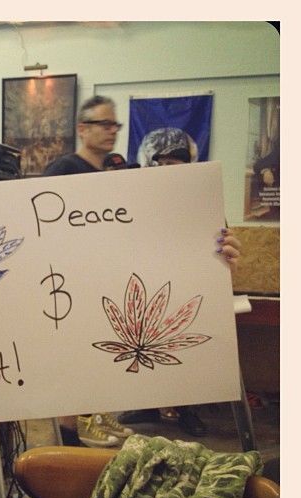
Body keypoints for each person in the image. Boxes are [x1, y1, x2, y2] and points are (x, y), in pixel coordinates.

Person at [43, 95, 241, 446]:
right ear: (82, 128)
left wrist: (215, 257)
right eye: (104, 123)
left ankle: (97, 418)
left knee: (99, 365)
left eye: (115, 124)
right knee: (75, 368)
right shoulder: (66, 169)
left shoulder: (116, 176)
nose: (112, 130)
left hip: (114, 284)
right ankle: (69, 441)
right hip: (75, 285)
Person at [118, 140, 242, 437]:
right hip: (151, 285)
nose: (164, 169)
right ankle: (148, 406)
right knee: (148, 348)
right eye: (160, 164)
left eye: (171, 164)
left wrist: (225, 259)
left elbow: (219, 243)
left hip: (189, 287)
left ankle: (188, 411)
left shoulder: (204, 203)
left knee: (187, 353)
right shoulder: (147, 199)